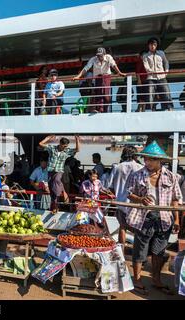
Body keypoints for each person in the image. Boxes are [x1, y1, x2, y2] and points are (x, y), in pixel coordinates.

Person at [126, 141, 182, 296]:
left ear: (159, 161)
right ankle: (137, 280)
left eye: (151, 159)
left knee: (159, 251)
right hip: (144, 218)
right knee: (140, 251)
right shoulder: (137, 175)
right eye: (145, 159)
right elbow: (129, 193)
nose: (147, 162)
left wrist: (176, 219)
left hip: (165, 219)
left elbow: (175, 199)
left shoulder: (171, 176)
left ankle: (156, 280)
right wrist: (140, 199)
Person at [107, 146, 143, 249]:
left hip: (121, 203)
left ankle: (121, 251)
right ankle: (136, 251)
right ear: (135, 155)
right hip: (135, 203)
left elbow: (109, 185)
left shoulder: (117, 167)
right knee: (137, 229)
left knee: (122, 227)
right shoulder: (139, 167)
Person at [73, 47, 126, 113]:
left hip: (106, 76)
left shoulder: (108, 57)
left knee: (105, 94)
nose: (99, 57)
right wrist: (78, 76)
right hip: (97, 77)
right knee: (98, 93)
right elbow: (86, 68)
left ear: (104, 54)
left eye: (100, 55)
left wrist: (119, 72)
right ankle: (99, 109)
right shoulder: (93, 59)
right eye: (98, 55)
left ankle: (105, 109)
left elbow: (113, 65)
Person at [39, 135, 80, 213]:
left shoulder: (66, 151)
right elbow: (40, 144)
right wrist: (47, 138)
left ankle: (64, 193)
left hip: (59, 170)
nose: (65, 147)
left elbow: (77, 149)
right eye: (64, 146)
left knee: (57, 180)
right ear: (60, 144)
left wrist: (77, 139)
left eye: (66, 146)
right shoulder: (52, 148)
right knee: (52, 189)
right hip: (51, 170)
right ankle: (55, 206)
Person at [142, 37, 173, 111]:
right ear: (148, 46)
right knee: (150, 94)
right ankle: (152, 110)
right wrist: (152, 71)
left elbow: (166, 62)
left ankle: (170, 109)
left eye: (154, 45)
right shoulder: (145, 56)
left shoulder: (161, 53)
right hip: (151, 78)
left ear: (156, 45)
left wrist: (166, 72)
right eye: (151, 45)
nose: (152, 46)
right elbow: (146, 67)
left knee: (166, 92)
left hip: (161, 77)